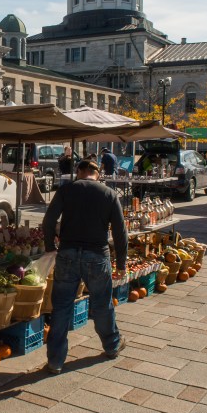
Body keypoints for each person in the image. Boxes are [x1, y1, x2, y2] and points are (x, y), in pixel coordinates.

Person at [41, 158, 129, 374]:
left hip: (68, 253)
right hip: (97, 255)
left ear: (79, 171)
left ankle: (55, 361)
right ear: (97, 174)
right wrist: (121, 263)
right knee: (102, 304)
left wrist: (50, 245)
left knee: (61, 308)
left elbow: (49, 220)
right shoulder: (109, 194)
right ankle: (111, 345)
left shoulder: (67, 190)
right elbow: (120, 231)